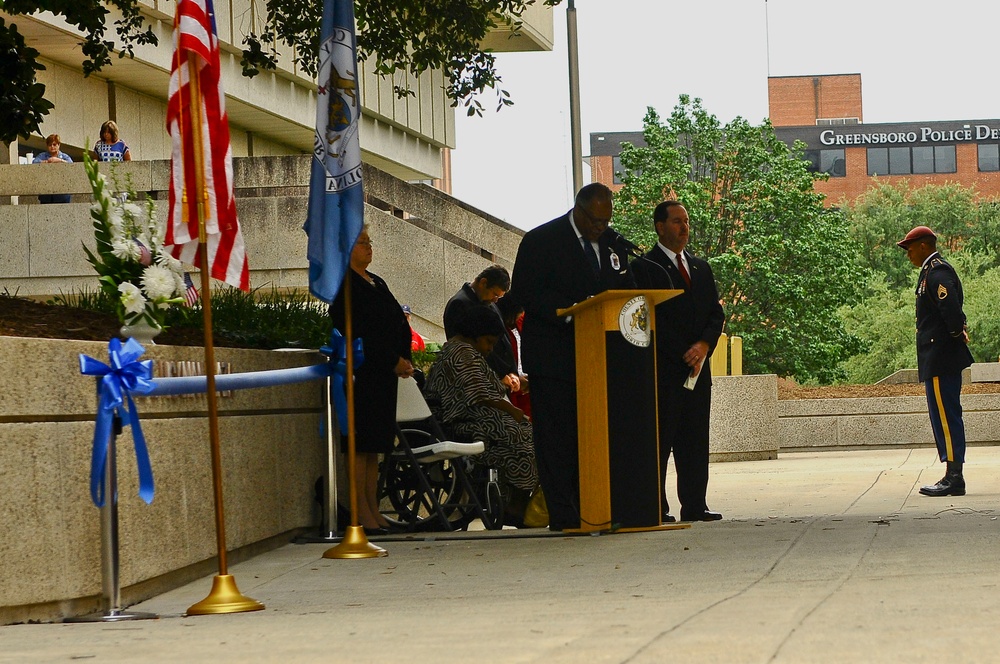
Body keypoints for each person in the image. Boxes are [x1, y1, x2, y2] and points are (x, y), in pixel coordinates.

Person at [509, 182, 635, 531]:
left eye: (606, 220)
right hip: (554, 358)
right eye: (595, 220)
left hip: (599, 357)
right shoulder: (541, 241)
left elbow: (622, 290)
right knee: (557, 439)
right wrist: (570, 311)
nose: (601, 227)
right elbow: (525, 293)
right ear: (579, 210)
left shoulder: (614, 244)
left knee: (594, 435)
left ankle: (596, 507)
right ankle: (563, 514)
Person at [631, 200, 725, 522]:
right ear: (660, 226)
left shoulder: (701, 267)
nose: (684, 228)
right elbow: (647, 321)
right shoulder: (644, 267)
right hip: (664, 371)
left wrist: (703, 346)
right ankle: (657, 507)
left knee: (695, 442)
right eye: (676, 222)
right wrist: (682, 352)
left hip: (699, 370)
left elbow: (716, 314)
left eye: (686, 222)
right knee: (661, 441)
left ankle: (695, 505)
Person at [330, 227, 415, 533]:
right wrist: (392, 360)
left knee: (374, 446)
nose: (369, 247)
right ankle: (359, 511)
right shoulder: (344, 285)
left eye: (369, 242)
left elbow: (396, 321)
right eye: (362, 243)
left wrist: (404, 358)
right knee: (359, 443)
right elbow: (359, 330)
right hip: (362, 372)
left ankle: (373, 507)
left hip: (385, 376)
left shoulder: (376, 281)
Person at [424, 305, 538, 524]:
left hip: (468, 418)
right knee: (526, 437)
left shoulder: (463, 350)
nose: (489, 349)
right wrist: (513, 411)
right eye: (489, 342)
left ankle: (513, 500)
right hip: (460, 422)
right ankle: (516, 504)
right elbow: (480, 394)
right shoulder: (462, 353)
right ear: (476, 334)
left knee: (523, 431)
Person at [897, 225, 975, 496]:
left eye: (909, 249)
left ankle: (955, 477)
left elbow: (951, 309)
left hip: (942, 357)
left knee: (947, 417)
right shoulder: (929, 272)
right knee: (943, 416)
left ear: (922, 245)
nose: (908, 255)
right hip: (937, 357)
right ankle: (952, 473)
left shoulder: (937, 272)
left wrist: (956, 332)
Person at [443, 265, 519, 390]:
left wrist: (512, 372)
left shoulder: (490, 303)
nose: (495, 300)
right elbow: (470, 349)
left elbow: (503, 338)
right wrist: (498, 374)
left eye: (499, 297)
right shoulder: (459, 304)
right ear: (483, 283)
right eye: (495, 294)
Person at [32, 134, 73, 204]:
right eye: (50, 145)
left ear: (58, 145)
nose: (52, 147)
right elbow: (34, 163)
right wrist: (46, 162)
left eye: (54, 144)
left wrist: (59, 160)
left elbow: (72, 165)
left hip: (62, 194)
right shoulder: (42, 156)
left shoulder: (64, 156)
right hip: (46, 193)